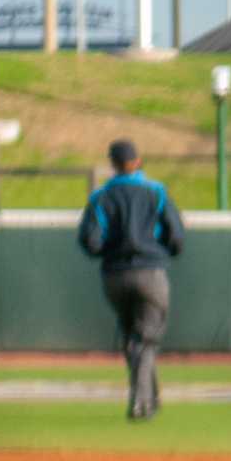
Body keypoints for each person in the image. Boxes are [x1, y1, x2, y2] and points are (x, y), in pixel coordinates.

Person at [77, 139, 185, 420]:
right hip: (150, 273)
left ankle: (153, 397)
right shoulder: (155, 192)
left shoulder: (101, 196)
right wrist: (162, 250)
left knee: (132, 338)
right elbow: (176, 236)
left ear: (112, 164)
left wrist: (111, 251)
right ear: (137, 161)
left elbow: (90, 241)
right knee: (145, 340)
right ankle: (140, 403)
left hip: (115, 276)